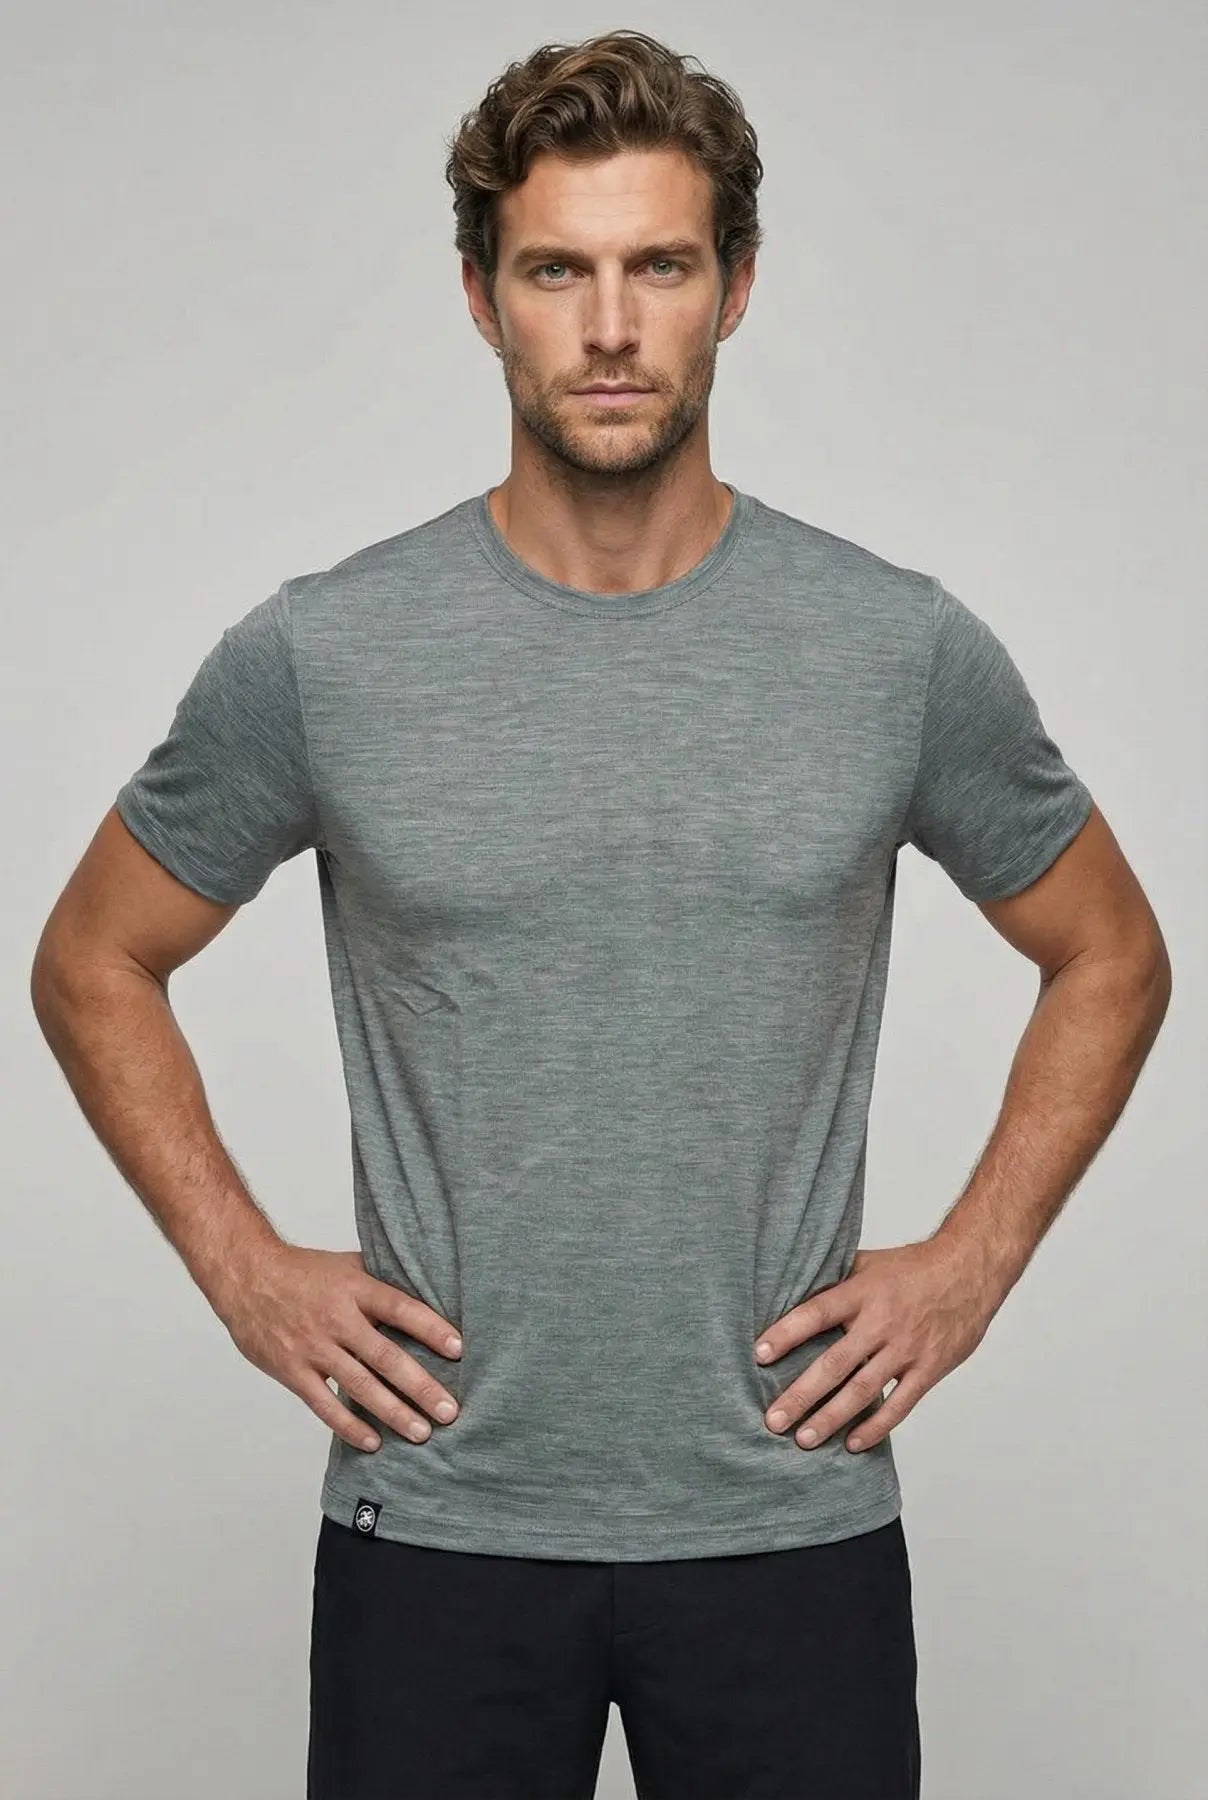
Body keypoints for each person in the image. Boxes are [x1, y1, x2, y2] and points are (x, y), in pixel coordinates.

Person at [31, 27, 1171, 1800]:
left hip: (787, 1523)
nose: (614, 326)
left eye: (662, 267)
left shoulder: (894, 650)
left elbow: (1113, 951)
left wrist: (973, 1264)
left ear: (737, 288)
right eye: (559, 271)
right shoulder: (328, 656)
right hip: (440, 1524)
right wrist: (246, 1272)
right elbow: (92, 957)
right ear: (481, 297)